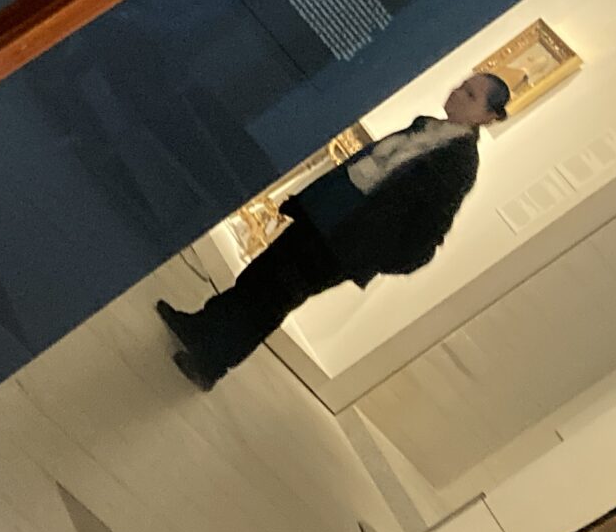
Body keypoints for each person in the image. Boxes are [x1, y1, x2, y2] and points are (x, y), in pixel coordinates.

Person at [155, 72, 511, 389]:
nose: (457, 92)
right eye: (463, 86)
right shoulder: (427, 127)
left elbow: (427, 233)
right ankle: (201, 327)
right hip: (328, 214)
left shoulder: (459, 164)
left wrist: (373, 255)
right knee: (262, 273)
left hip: (345, 242)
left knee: (275, 296)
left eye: (469, 95)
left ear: (487, 116)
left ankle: (212, 362)